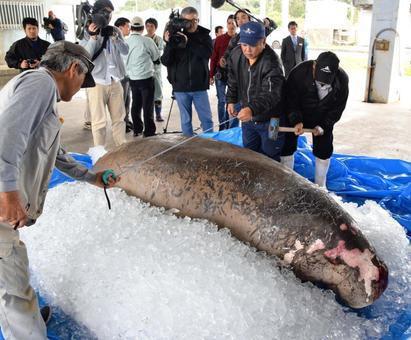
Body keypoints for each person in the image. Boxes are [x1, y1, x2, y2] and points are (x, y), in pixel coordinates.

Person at [0, 40, 119, 340]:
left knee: (10, 273)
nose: (81, 87)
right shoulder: (39, 84)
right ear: (73, 68)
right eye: (83, 80)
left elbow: (57, 152)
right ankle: (26, 331)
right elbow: (6, 139)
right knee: (14, 283)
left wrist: (92, 177)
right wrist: (8, 193)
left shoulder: (42, 94)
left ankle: (24, 322)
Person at [280, 51, 349, 188]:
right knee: (286, 147)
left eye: (327, 78)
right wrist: (296, 120)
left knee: (324, 149)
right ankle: (287, 184)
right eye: (320, 77)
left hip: (323, 116)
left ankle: (320, 185)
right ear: (314, 66)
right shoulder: (298, 73)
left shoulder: (342, 79)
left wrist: (324, 125)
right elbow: (290, 101)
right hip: (299, 112)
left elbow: (338, 108)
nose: (322, 81)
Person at [226, 21, 285, 161]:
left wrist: (251, 109)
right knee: (249, 153)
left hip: (272, 119)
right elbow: (232, 79)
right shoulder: (236, 55)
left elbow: (271, 94)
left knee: (270, 157)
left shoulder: (272, 62)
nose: (247, 50)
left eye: (252, 45)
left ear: (263, 42)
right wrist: (231, 100)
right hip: (249, 118)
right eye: (244, 45)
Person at [80, 0, 128, 147]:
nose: (108, 16)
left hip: (115, 80)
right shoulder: (86, 32)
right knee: (99, 121)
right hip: (97, 82)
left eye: (110, 13)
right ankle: (99, 153)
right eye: (105, 12)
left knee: (119, 119)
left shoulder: (115, 30)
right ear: (97, 12)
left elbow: (125, 50)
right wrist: (93, 37)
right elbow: (85, 55)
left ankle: (122, 149)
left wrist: (117, 39)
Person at [161, 6, 213, 136]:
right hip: (180, 86)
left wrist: (188, 42)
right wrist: (169, 44)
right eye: (187, 21)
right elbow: (165, 61)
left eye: (194, 20)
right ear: (181, 21)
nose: (190, 24)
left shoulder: (204, 35)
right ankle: (188, 146)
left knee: (207, 120)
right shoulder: (175, 36)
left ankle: (211, 145)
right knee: (185, 120)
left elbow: (207, 53)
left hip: (199, 86)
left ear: (198, 20)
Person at [126, 16, 160, 137]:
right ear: (142, 28)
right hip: (146, 78)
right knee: (147, 106)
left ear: (131, 28)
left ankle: (137, 129)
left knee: (136, 104)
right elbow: (156, 57)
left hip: (132, 78)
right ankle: (149, 131)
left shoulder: (126, 42)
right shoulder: (147, 41)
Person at [210, 14, 239, 130]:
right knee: (221, 101)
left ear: (237, 25)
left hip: (236, 75)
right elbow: (214, 57)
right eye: (229, 23)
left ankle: (232, 128)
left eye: (233, 23)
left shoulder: (240, 39)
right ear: (226, 25)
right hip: (220, 74)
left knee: (233, 101)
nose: (231, 25)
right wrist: (211, 74)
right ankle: (222, 126)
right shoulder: (219, 39)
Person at [114, 16, 133, 133]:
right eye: (128, 27)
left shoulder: (124, 41)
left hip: (126, 75)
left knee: (127, 100)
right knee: (121, 102)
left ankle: (126, 120)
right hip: (120, 76)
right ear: (120, 28)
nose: (129, 30)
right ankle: (122, 124)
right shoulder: (114, 41)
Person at [145, 17, 165, 122]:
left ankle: (158, 114)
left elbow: (159, 53)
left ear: (155, 28)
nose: (149, 28)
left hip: (156, 71)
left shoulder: (159, 40)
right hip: (145, 70)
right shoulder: (143, 39)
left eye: (151, 26)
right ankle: (149, 116)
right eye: (147, 26)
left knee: (158, 93)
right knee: (146, 94)